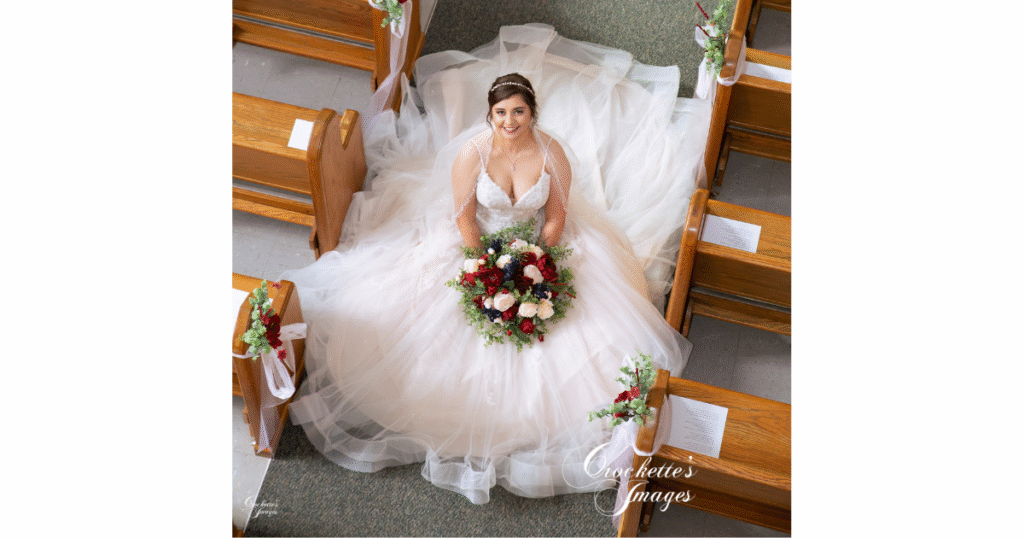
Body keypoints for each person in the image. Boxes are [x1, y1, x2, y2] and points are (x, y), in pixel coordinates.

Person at [281, 24, 711, 504]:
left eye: (519, 112)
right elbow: (463, 214)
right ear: (490, 114)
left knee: (589, 325)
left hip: (536, 243)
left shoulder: (553, 154)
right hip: (477, 241)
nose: (509, 121)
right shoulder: (472, 153)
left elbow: (558, 215)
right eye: (501, 112)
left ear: (532, 113)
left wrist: (538, 258)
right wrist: (484, 260)